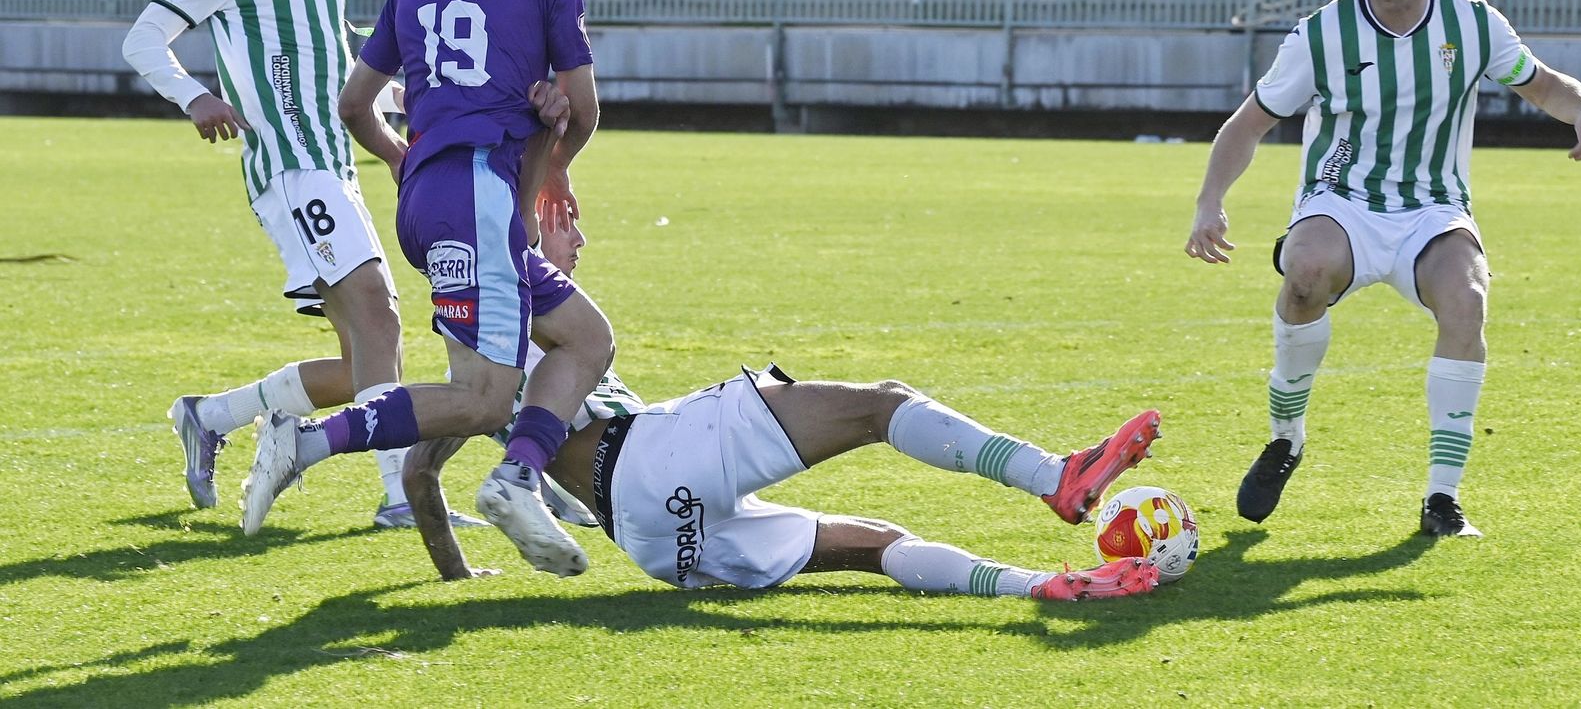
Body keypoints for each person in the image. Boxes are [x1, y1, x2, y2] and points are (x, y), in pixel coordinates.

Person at [404, 217, 1163, 601]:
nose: (573, 239)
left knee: (876, 547)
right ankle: (1056, 476)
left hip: (650, 543)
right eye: (560, 228)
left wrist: (457, 576)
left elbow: (418, 476)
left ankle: (1045, 586)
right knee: (881, 407)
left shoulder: (470, 375)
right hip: (647, 458)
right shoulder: (523, 306)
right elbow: (514, 218)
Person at [239, 0, 614, 580]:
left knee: (585, 338)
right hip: (477, 195)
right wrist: (556, 164)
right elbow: (583, 104)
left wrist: (409, 161)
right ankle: (305, 441)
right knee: (480, 397)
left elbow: (355, 105)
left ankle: (514, 481)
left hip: (435, 196)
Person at [1185, 0, 1581, 538]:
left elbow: (1545, 84)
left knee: (1467, 300)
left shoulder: (1471, 24)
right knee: (1305, 274)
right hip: (1342, 203)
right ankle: (1286, 439)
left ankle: (1442, 498)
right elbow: (1247, 124)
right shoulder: (1322, 35)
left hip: (1433, 211)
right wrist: (1210, 203)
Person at [120, 0, 449, 530]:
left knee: (360, 356)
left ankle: (209, 415)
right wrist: (194, 97)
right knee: (380, 320)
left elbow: (340, 64)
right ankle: (401, 495)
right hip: (291, 171)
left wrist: (410, 107)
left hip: (334, 166)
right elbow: (143, 41)